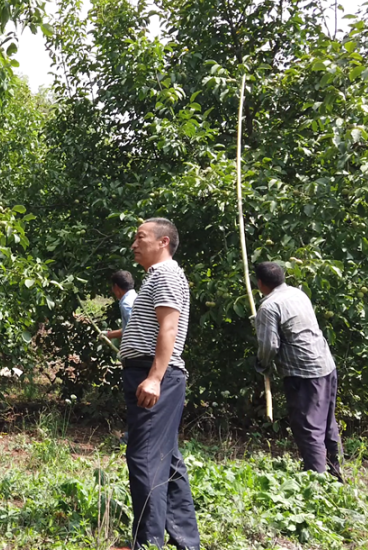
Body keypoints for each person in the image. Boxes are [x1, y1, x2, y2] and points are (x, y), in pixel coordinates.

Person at [118, 218, 200, 550]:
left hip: (155, 375)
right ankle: (186, 541)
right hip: (151, 373)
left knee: (145, 457)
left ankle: (148, 543)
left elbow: (168, 329)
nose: (134, 245)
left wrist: (154, 377)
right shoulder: (158, 277)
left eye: (141, 238)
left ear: (163, 242)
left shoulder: (165, 275)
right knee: (166, 457)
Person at [254, 261, 343, 482]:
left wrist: (262, 364)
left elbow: (269, 346)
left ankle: (317, 483)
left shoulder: (268, 306)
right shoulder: (297, 294)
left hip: (304, 374)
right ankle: (336, 475)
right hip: (325, 365)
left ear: (260, 283)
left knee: (308, 427)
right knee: (327, 423)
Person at [105, 270, 138, 347]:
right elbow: (129, 327)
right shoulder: (136, 297)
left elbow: (133, 330)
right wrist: (109, 334)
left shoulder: (126, 304)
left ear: (116, 287)